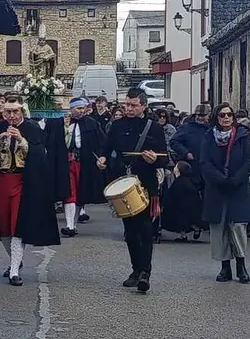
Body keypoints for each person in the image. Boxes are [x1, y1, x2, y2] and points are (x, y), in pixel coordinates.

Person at [0, 96, 60, 285]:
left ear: (22, 111)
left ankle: (14, 270)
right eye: (8, 112)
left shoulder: (33, 129)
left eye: (15, 111)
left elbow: (40, 156)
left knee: (17, 225)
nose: (11, 116)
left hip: (23, 181)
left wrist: (22, 141)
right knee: (4, 227)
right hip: (0, 180)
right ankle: (16, 260)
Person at [97, 88, 169, 293]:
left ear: (144, 106)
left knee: (145, 230)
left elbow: (165, 158)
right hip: (122, 181)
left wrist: (154, 159)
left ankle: (145, 271)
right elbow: (105, 148)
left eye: (133, 105)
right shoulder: (117, 126)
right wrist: (102, 159)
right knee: (130, 232)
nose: (129, 108)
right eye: (126, 105)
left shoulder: (153, 127)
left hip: (145, 182)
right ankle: (136, 270)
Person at [200, 103, 250, 283]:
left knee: (237, 227)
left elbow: (248, 162)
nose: (226, 118)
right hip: (217, 189)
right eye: (222, 115)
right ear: (216, 117)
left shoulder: (242, 136)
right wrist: (219, 179)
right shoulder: (209, 137)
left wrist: (236, 179)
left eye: (229, 115)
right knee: (219, 227)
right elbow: (205, 162)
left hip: (237, 188)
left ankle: (241, 265)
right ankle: (225, 267)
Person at [45, 97, 106, 236]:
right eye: (79, 108)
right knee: (69, 193)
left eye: (83, 108)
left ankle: (73, 224)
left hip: (84, 163)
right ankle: (69, 225)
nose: (82, 111)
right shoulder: (57, 123)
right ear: (71, 108)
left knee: (81, 193)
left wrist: (101, 157)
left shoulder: (91, 124)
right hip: (64, 164)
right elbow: (48, 142)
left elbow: (101, 143)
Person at [160, 161, 202, 241]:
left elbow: (171, 196)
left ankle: (183, 235)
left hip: (180, 209)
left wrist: (163, 204)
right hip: (193, 208)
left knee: (177, 217)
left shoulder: (178, 182)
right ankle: (196, 228)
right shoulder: (191, 181)